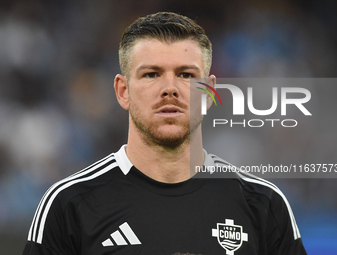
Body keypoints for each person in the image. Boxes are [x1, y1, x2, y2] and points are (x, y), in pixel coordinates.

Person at [22, 12, 307, 255]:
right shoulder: (68, 204)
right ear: (123, 91)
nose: (169, 88)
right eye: (151, 74)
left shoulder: (264, 204)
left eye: (186, 75)